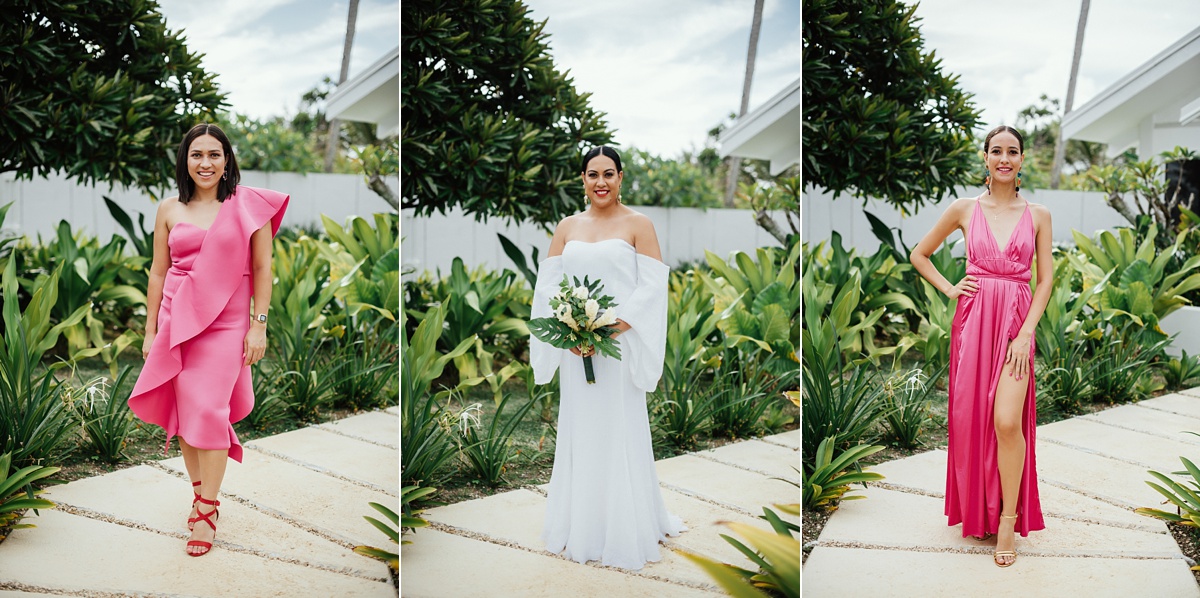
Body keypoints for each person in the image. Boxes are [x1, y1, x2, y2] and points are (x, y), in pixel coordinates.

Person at [128, 123, 289, 557]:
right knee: (185, 416)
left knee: (210, 411)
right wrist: (150, 331)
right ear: (185, 160)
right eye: (196, 154)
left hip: (226, 323)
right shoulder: (168, 209)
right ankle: (200, 493)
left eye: (214, 154)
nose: (205, 163)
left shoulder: (246, 206)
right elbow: (158, 272)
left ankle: (206, 510)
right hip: (178, 322)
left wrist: (259, 324)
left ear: (227, 159)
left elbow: (263, 270)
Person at [529, 145, 686, 570]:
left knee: (618, 426)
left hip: (617, 346)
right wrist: (568, 333)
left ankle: (625, 526)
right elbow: (548, 287)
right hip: (575, 348)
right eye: (592, 174)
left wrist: (611, 326)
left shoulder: (639, 224)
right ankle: (579, 524)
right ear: (582, 179)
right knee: (581, 429)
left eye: (609, 174)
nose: (601, 181)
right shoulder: (566, 226)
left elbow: (652, 286)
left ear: (621, 178)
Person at [909, 125, 1051, 567]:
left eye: (1012, 152)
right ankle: (979, 512)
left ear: (1022, 160)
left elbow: (1044, 280)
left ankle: (1008, 519)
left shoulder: (1039, 215)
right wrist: (951, 289)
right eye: (996, 151)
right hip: (973, 325)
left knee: (1008, 422)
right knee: (973, 422)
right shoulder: (964, 209)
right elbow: (920, 254)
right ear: (985, 159)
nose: (1004, 158)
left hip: (1015, 327)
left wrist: (1026, 333)